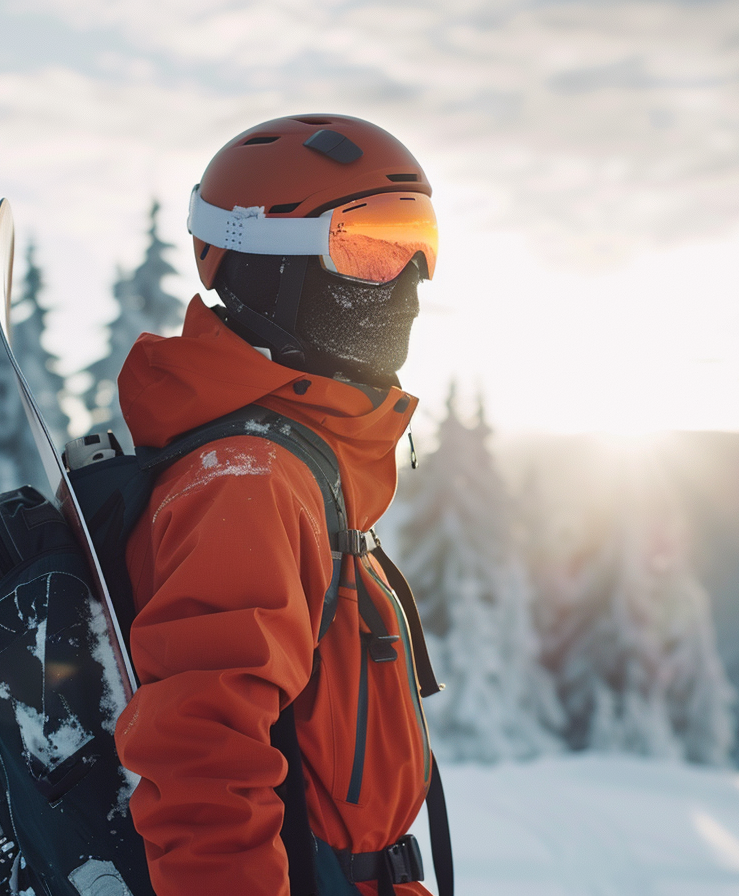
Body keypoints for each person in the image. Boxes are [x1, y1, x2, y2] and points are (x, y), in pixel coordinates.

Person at [112, 115, 448, 896]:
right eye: (369, 248)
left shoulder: (284, 462)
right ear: (265, 261)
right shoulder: (251, 478)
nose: (410, 283)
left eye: (419, 244)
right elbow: (203, 766)